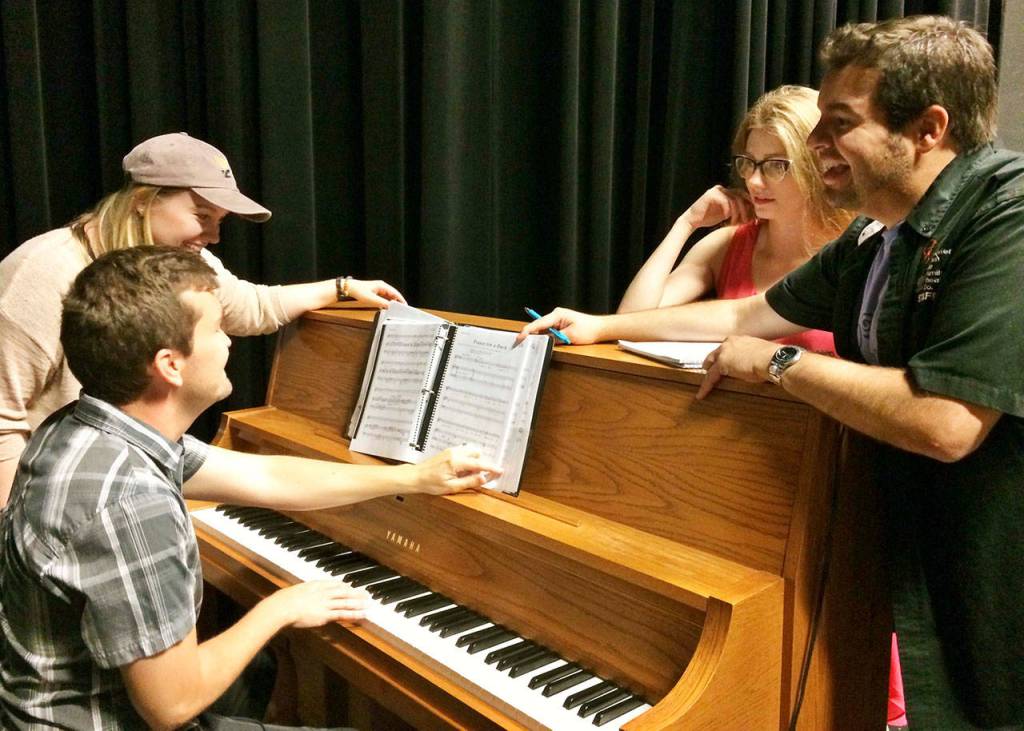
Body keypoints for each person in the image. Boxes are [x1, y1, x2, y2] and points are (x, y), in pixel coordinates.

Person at [521, 15, 1023, 729]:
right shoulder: (873, 237)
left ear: (928, 129)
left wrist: (782, 363)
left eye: (839, 124)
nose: (816, 146)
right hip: (907, 556)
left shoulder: (1008, 214)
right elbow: (747, 314)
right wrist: (602, 327)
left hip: (988, 577)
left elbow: (945, 421)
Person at [0, 246, 500, 729]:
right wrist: (279, 608)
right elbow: (172, 706)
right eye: (217, 329)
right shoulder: (131, 501)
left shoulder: (87, 426)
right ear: (170, 364)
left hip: (59, 702)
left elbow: (265, 476)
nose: (228, 343)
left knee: (264, 673)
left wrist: (413, 477)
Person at [0, 132, 407, 506]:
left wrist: (341, 287)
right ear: (142, 200)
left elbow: (251, 307)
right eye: (202, 215)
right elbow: (2, 420)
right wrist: (24, 530)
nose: (213, 236)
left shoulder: (178, 263)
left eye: (220, 221)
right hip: (57, 496)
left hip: (123, 475)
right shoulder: (42, 271)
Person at [618, 85, 851, 355]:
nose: (753, 180)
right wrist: (686, 224)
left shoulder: (856, 249)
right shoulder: (727, 245)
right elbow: (628, 322)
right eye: (748, 162)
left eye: (776, 165)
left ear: (817, 166)